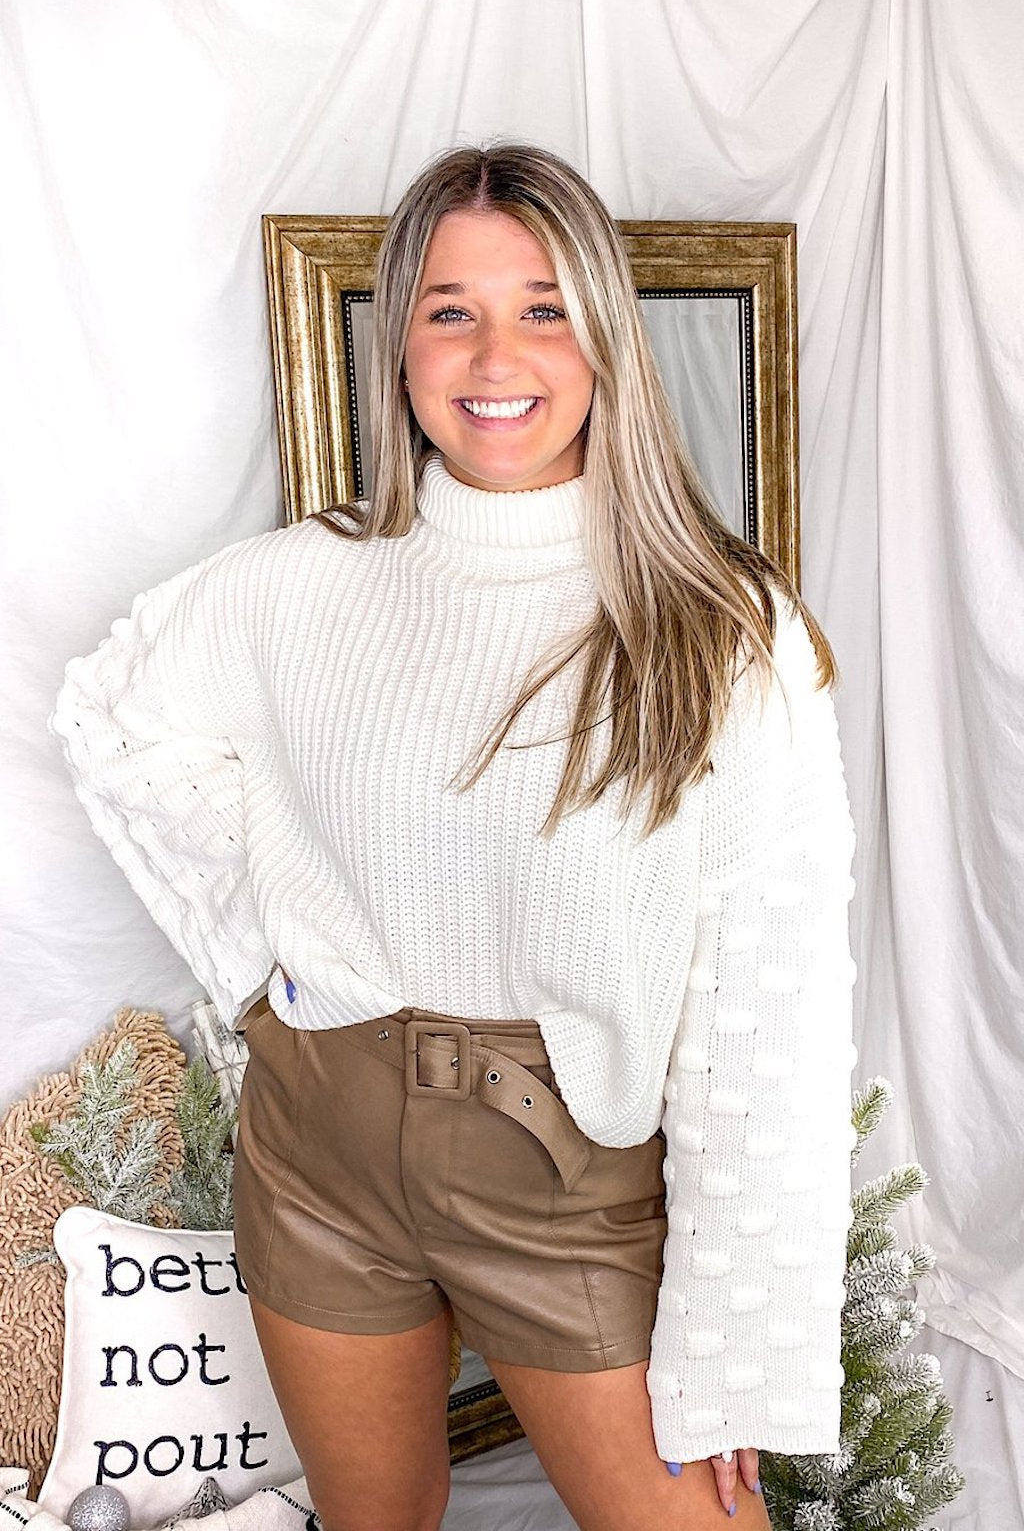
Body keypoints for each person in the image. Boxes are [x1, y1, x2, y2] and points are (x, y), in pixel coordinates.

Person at [49, 142, 858, 1531]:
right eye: (450, 310)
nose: (496, 356)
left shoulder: (725, 632)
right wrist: (266, 963)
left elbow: (767, 1015)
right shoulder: (298, 587)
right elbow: (115, 720)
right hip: (320, 1159)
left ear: (605, 334)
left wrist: (739, 1352)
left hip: (568, 1189)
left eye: (544, 307)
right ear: (403, 346)